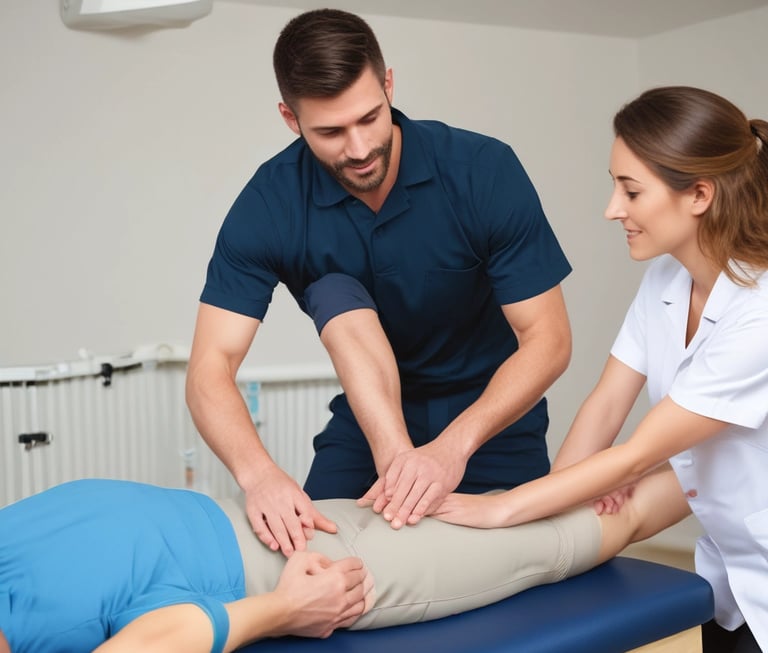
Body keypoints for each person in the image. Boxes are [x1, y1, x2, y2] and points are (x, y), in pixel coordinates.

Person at [186, 8, 573, 557]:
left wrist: (452, 448)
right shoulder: (269, 205)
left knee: (519, 581)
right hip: (368, 419)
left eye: (370, 117)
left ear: (388, 84)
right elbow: (209, 368)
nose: (360, 147)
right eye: (331, 131)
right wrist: (260, 476)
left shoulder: (482, 169)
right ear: (290, 119)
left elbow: (549, 340)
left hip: (489, 415)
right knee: (317, 566)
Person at [432, 86, 768, 653]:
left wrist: (503, 508)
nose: (613, 209)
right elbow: (607, 402)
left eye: (630, 190)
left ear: (700, 194)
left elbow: (637, 453)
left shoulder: (758, 311)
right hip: (732, 570)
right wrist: (551, 517)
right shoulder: (664, 281)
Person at [0, 465, 688, 653]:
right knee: (598, 527)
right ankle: (731, 451)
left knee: (554, 515)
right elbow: (166, 634)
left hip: (284, 525)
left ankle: (724, 440)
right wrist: (284, 608)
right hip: (322, 564)